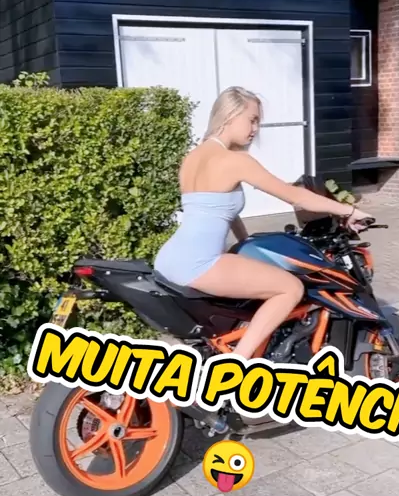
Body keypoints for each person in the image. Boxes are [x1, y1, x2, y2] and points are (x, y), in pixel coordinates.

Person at [155, 86, 371, 360]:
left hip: (169, 258)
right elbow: (295, 196)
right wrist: (348, 210)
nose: (256, 129)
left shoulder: (192, 158)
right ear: (230, 115)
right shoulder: (235, 161)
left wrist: (244, 240)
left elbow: (220, 209)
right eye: (252, 119)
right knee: (290, 288)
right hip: (199, 263)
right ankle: (236, 366)